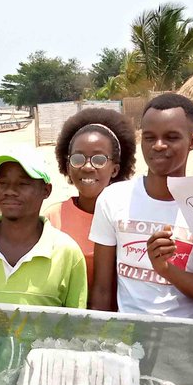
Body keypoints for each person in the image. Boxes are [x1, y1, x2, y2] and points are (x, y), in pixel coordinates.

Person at [90, 93, 193, 318]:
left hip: (185, 335)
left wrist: (166, 269)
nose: (159, 145)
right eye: (149, 137)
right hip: (129, 335)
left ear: (192, 141)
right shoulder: (113, 198)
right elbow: (102, 290)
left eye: (171, 137)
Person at [0, 151, 86, 308]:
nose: (10, 191)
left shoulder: (67, 252)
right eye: (2, 183)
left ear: (46, 190)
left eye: (22, 184)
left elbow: (77, 320)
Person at [49, 107, 137, 299]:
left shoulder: (131, 217)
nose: (88, 167)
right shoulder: (52, 217)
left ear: (115, 169)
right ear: (67, 166)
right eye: (78, 158)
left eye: (99, 159)